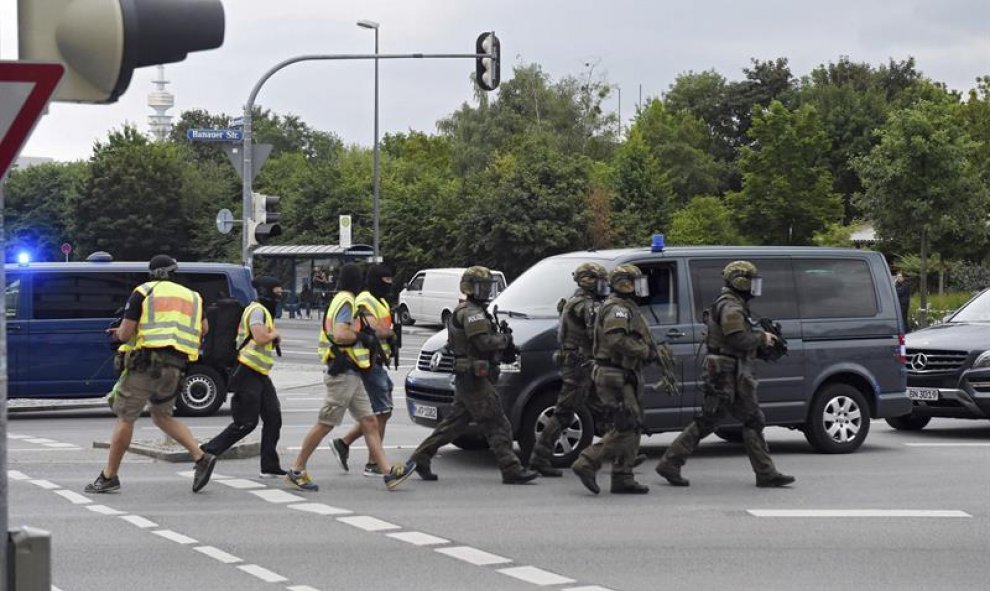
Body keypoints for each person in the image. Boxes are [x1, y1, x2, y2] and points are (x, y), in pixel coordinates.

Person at [655, 260, 795, 488]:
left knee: (747, 419)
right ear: (740, 282)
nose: (754, 287)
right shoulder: (731, 307)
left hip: (731, 371)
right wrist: (762, 338)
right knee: (717, 419)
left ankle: (766, 472)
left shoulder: (734, 304)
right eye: (750, 282)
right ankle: (670, 462)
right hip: (725, 372)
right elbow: (737, 339)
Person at [85, 254, 217, 494]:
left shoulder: (143, 291)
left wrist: (115, 335)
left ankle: (109, 477)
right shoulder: (193, 297)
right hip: (176, 367)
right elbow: (204, 329)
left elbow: (126, 334)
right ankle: (201, 457)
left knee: (126, 417)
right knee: (162, 416)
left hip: (146, 366)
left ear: (153, 273)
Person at [286, 263, 414, 492]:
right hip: (342, 370)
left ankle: (388, 473)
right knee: (326, 423)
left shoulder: (343, 299)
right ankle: (296, 470)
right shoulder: (345, 301)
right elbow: (341, 334)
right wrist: (362, 337)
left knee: (370, 421)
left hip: (352, 369)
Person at [409, 266, 538, 485]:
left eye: (488, 287)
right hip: (474, 379)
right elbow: (483, 342)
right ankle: (511, 468)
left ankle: (421, 457)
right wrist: (504, 341)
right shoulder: (471, 313)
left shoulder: (475, 310)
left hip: (471, 377)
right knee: (498, 423)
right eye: (482, 287)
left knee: (453, 425)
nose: (486, 291)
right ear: (470, 287)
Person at [571, 265, 666, 495]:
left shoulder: (625, 306)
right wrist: (644, 351)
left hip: (623, 374)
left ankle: (623, 476)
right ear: (625, 283)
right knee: (627, 425)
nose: (640, 287)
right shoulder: (617, 309)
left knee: (632, 424)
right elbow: (616, 341)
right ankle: (587, 461)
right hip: (614, 374)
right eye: (636, 282)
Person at [200, 276, 286, 478]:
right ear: (266, 291)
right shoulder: (257, 310)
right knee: (246, 423)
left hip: (260, 373)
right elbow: (260, 337)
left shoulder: (263, 311)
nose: (280, 295)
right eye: (277, 291)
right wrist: (274, 335)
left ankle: (270, 466)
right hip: (247, 371)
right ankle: (208, 451)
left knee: (273, 418)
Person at [528, 262, 609, 477]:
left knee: (605, 406)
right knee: (564, 413)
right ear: (588, 281)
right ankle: (539, 458)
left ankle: (621, 452)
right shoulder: (586, 305)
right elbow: (596, 334)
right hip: (580, 365)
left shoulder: (572, 301)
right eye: (599, 281)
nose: (603, 286)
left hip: (579, 363)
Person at [330, 264, 398, 477]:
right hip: (368, 361)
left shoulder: (380, 300)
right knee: (381, 411)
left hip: (376, 361)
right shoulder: (364, 300)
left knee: (379, 412)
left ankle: (344, 443)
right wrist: (389, 333)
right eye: (384, 281)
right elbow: (373, 329)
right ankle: (373, 463)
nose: (388, 285)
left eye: (390, 281)